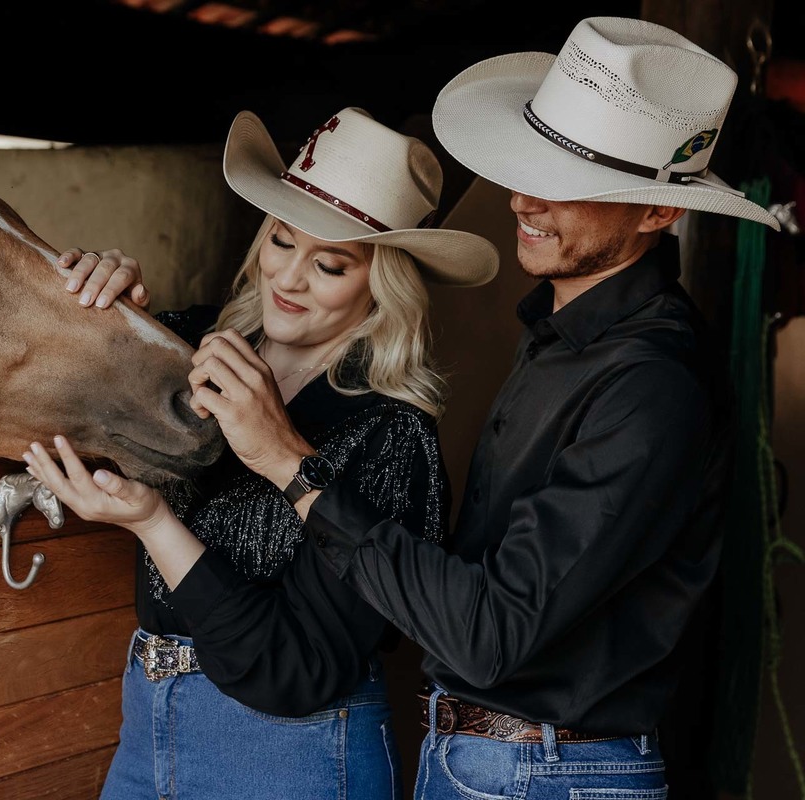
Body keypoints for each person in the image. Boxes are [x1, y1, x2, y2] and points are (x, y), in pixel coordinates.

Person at [54, 16, 783, 799]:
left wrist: (287, 466)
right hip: (478, 761)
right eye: (533, 164)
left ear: (656, 212)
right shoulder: (555, 342)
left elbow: (488, 634)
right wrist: (103, 315)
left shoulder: (649, 386)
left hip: (536, 771)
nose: (526, 198)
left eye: (573, 183)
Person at [22, 106, 499, 799]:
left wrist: (155, 523)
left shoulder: (390, 438)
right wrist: (94, 307)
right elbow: (30, 385)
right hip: (146, 729)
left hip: (289, 757)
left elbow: (295, 671)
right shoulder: (186, 348)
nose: (290, 277)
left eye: (330, 263)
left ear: (381, 285)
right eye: (281, 241)